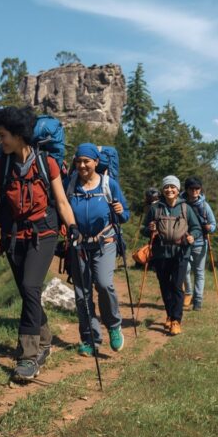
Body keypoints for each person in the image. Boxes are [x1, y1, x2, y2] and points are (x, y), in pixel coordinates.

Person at [0, 106, 77, 382]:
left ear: (19, 135)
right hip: (13, 236)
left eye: (3, 135)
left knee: (31, 286)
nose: (0, 141)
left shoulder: (47, 164)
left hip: (44, 233)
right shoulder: (1, 165)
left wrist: (73, 227)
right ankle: (45, 340)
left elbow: (62, 201)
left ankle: (29, 357)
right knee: (27, 292)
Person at [65, 143, 130, 355]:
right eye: (79, 161)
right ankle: (90, 338)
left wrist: (120, 211)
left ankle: (113, 326)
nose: (82, 165)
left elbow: (124, 216)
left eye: (87, 161)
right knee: (82, 293)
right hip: (79, 244)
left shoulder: (108, 184)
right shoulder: (71, 184)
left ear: (96, 162)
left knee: (103, 283)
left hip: (105, 242)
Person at [141, 175, 202, 336]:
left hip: (181, 252)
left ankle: (176, 320)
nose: (169, 190)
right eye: (166, 187)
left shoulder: (186, 208)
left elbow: (196, 228)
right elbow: (143, 229)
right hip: (160, 252)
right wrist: (150, 229)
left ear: (178, 190)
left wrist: (192, 237)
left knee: (176, 285)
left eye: (172, 187)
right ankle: (169, 314)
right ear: (163, 190)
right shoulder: (156, 208)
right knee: (165, 286)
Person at [181, 177, 217, 311]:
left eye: (197, 188)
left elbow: (214, 224)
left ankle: (198, 301)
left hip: (200, 243)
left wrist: (210, 228)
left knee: (199, 272)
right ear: (187, 189)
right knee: (185, 269)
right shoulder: (180, 203)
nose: (195, 191)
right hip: (183, 242)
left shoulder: (204, 205)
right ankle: (189, 292)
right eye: (192, 188)